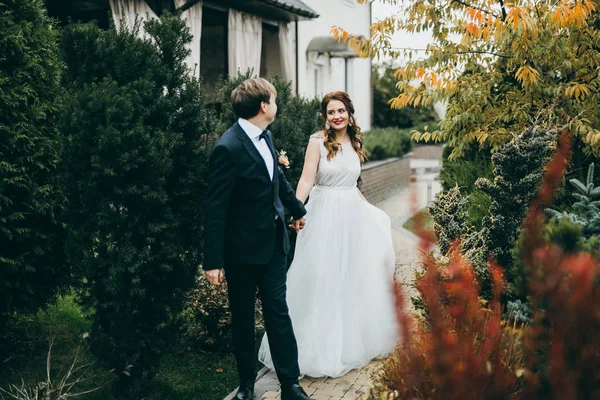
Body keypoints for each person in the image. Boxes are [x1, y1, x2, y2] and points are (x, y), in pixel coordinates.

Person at [258, 91, 400, 378]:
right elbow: (307, 179)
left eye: (341, 111)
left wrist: (373, 212)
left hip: (351, 216)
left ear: (349, 113)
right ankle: (311, 350)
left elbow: (351, 185)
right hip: (323, 215)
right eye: (331, 112)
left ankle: (347, 343)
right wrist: (296, 210)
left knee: (348, 277)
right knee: (320, 277)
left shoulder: (355, 141)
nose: (336, 116)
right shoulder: (317, 142)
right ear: (325, 116)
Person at [203, 78, 312, 400]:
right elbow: (215, 207)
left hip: (275, 245)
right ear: (264, 106)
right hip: (241, 251)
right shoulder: (228, 147)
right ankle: (246, 387)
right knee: (243, 319)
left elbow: (276, 178)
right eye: (274, 101)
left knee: (278, 312)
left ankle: (290, 385)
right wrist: (213, 260)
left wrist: (296, 209)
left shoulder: (266, 136)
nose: (277, 106)